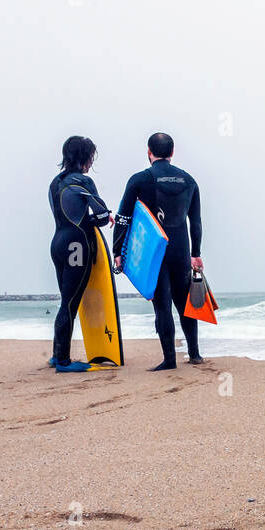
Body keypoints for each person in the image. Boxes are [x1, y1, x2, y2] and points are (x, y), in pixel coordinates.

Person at [113, 132, 204, 370]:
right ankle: (194, 354)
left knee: (162, 303)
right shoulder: (189, 181)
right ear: (172, 153)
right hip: (182, 248)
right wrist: (196, 253)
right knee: (185, 303)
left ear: (149, 153)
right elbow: (196, 222)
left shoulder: (139, 180)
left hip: (155, 249)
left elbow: (123, 218)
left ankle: (170, 359)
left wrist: (117, 251)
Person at [48, 136, 113, 372]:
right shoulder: (84, 181)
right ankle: (63, 362)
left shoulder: (55, 182)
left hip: (57, 243)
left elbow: (66, 213)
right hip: (78, 246)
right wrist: (103, 217)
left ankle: (57, 355)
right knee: (69, 302)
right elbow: (103, 216)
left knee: (66, 301)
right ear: (86, 157)